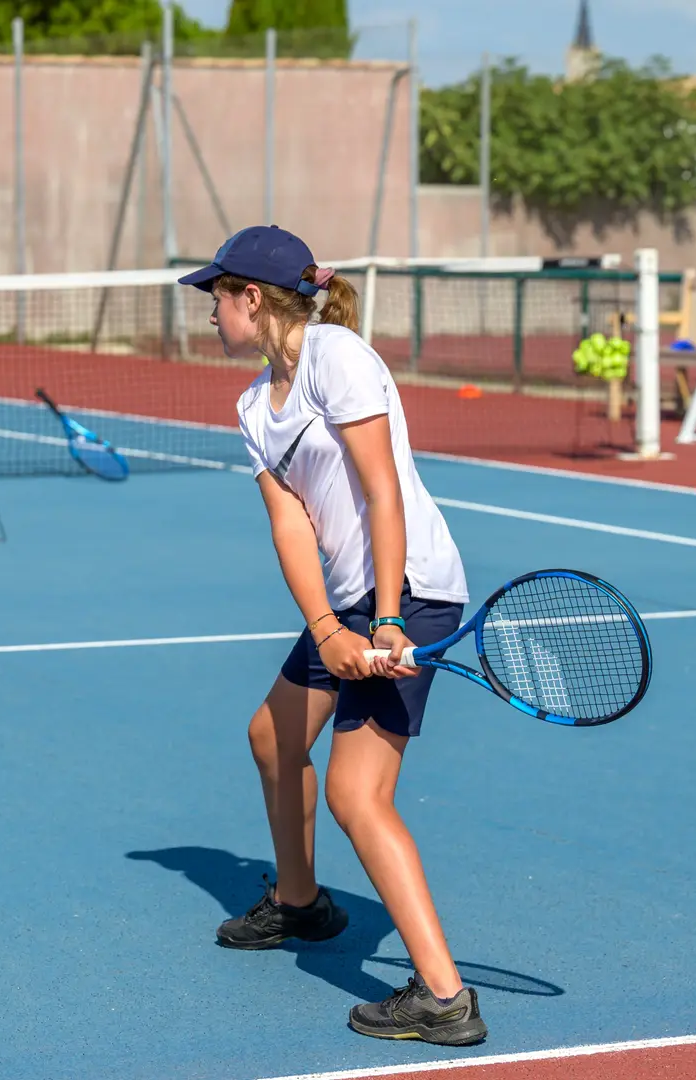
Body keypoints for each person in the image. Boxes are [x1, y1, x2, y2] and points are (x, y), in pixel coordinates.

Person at [179, 226, 485, 1046]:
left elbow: (383, 492)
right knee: (272, 737)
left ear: (252, 297)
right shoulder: (253, 405)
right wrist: (327, 627)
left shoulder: (337, 357)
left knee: (357, 794)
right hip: (345, 605)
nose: (208, 312)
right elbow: (291, 527)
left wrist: (384, 619)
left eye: (216, 295)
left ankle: (445, 998)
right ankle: (301, 903)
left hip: (410, 590)